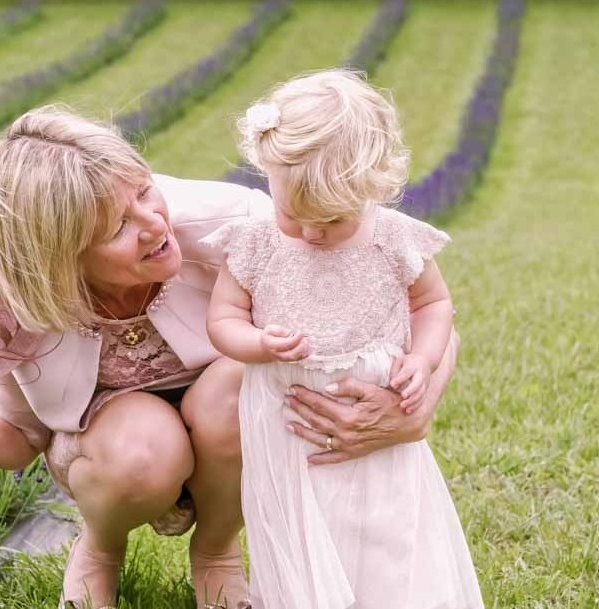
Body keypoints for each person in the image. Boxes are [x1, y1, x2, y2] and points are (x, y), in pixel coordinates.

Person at [0, 104, 462, 609]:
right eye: (117, 229)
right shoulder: (18, 301)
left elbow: (410, 304)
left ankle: (216, 547)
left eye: (143, 191)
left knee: (233, 388)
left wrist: (416, 408)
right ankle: (101, 546)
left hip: (229, 424)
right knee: (143, 447)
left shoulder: (239, 227)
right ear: (60, 259)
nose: (154, 222)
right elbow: (17, 436)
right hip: (117, 449)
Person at [204, 70, 483, 608]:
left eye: (332, 220)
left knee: (384, 525)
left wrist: (423, 361)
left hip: (376, 400)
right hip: (286, 419)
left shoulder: (394, 238)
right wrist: (257, 343)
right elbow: (224, 320)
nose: (311, 233)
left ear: (371, 190)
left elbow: (433, 304)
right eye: (293, 214)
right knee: (297, 526)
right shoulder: (255, 242)